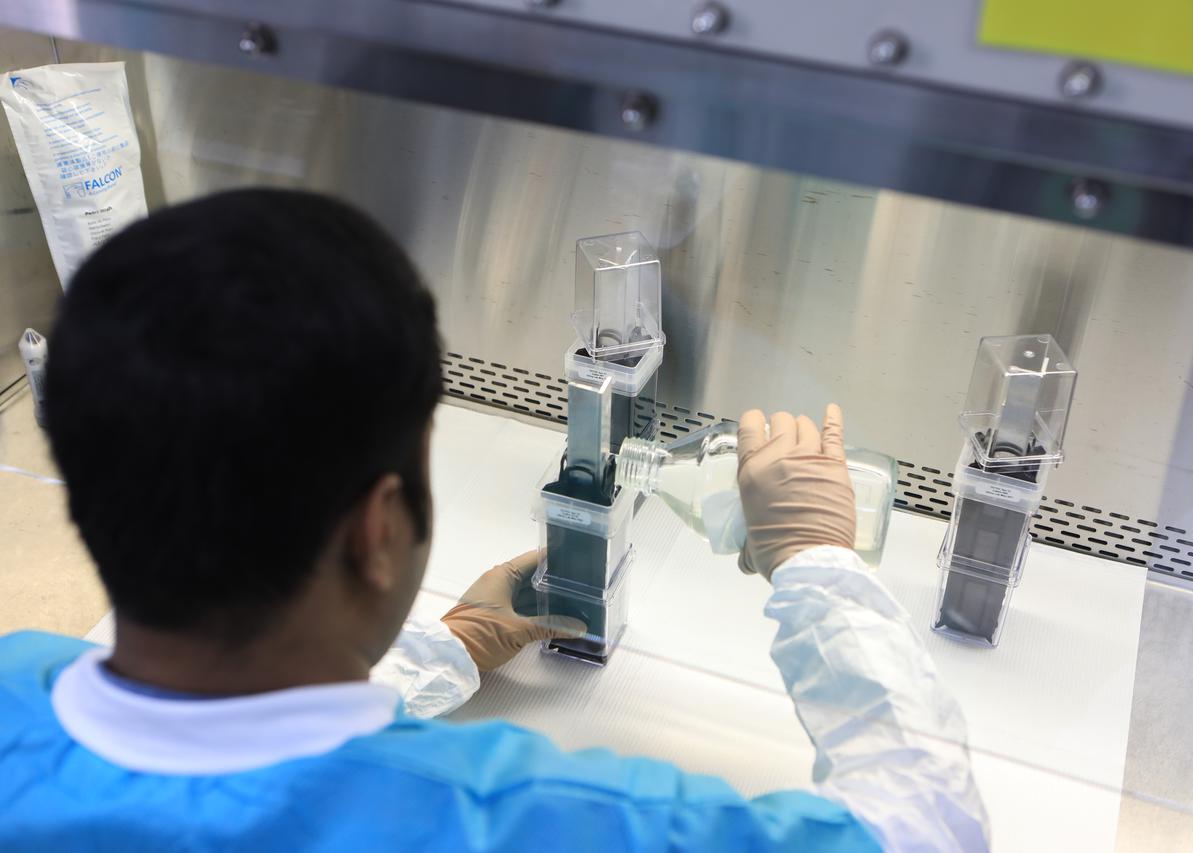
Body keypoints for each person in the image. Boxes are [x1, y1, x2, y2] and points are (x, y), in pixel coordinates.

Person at [0, 189, 988, 851]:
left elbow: (225, 754)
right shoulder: (537, 822)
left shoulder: (15, 692)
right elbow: (926, 826)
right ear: (375, 529)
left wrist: (449, 649)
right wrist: (817, 563)